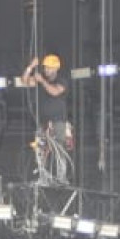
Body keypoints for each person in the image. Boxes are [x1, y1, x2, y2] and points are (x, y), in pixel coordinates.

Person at [17, 53, 72, 184]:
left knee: (59, 149)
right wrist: (30, 67)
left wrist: (42, 81)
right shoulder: (40, 79)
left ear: (56, 68)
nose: (47, 70)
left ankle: (61, 178)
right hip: (43, 122)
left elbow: (54, 91)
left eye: (50, 68)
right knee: (41, 149)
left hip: (58, 121)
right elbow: (24, 81)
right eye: (46, 67)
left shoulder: (62, 80)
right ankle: (43, 177)